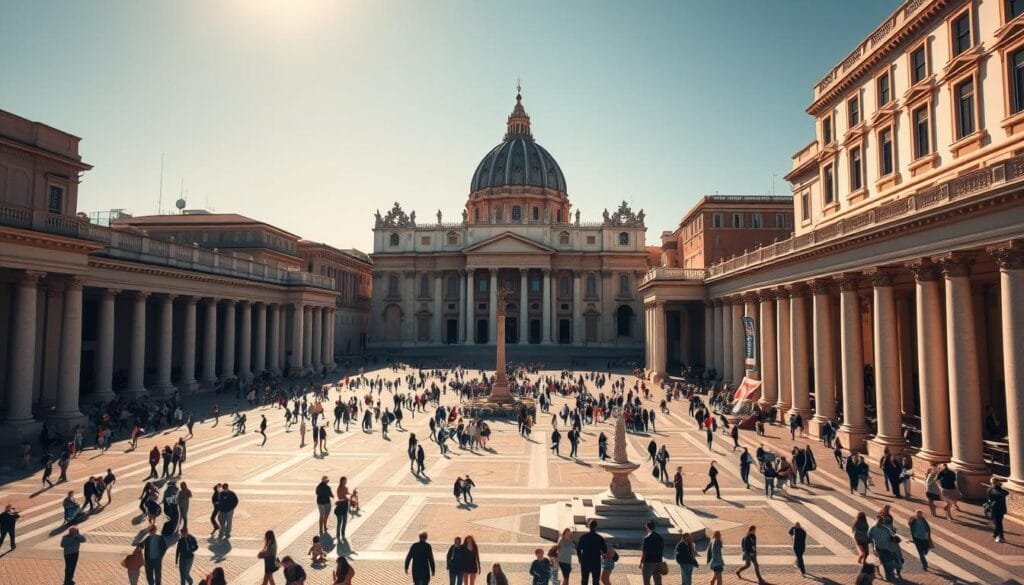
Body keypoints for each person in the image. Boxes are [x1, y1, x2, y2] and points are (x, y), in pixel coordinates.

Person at [868, 514, 900, 582]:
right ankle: (887, 576)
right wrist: (872, 547)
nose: (880, 523)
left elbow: (892, 536)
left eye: (881, 522)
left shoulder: (886, 529)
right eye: (879, 522)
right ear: (877, 521)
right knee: (884, 562)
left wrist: (895, 538)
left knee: (887, 562)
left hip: (887, 547)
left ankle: (889, 575)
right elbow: (869, 538)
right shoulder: (873, 528)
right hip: (878, 548)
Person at [577, 519, 607, 585]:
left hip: (585, 561)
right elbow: (605, 550)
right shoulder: (600, 538)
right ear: (596, 527)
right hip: (596, 562)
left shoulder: (583, 537)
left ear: (589, 526)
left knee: (584, 580)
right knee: (596, 581)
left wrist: (579, 559)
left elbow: (578, 549)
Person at [639, 520, 664, 585]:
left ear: (647, 527)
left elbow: (644, 552)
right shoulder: (660, 537)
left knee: (646, 580)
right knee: (658, 581)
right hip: (658, 561)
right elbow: (661, 549)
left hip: (648, 562)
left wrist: (641, 562)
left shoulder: (647, 538)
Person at [987, 477, 1009, 543]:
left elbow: (989, 498)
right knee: (998, 522)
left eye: (992, 483)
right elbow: (1006, 493)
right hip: (1001, 508)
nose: (991, 484)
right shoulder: (1001, 491)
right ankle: (995, 534)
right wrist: (999, 486)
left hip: (995, 509)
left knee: (998, 523)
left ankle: (1001, 537)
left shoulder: (990, 490)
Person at [335, 476, 350, 543]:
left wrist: (351, 494)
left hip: (345, 506)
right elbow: (339, 497)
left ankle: (343, 534)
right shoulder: (339, 489)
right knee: (339, 523)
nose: (345, 482)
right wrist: (345, 498)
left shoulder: (346, 488)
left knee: (344, 522)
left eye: (345, 481)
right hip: (340, 506)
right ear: (341, 481)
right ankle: (338, 535)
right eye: (344, 481)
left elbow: (347, 494)